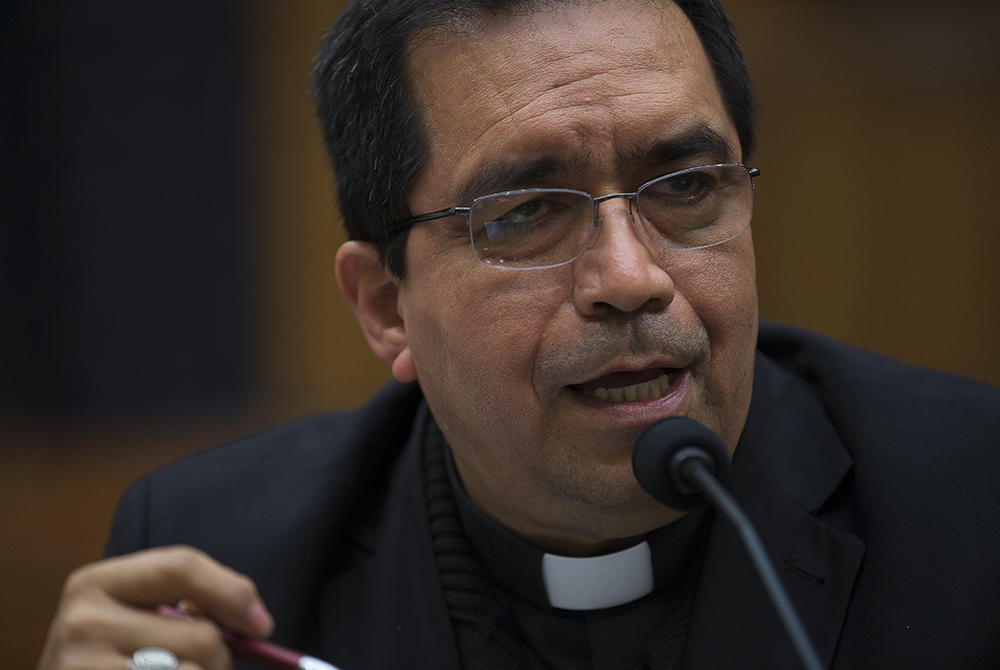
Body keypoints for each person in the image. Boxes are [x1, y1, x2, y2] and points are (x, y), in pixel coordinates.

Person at [37, 1, 1000, 669]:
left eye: (685, 187)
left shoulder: (970, 505)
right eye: (525, 212)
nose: (631, 277)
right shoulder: (221, 570)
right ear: (384, 305)